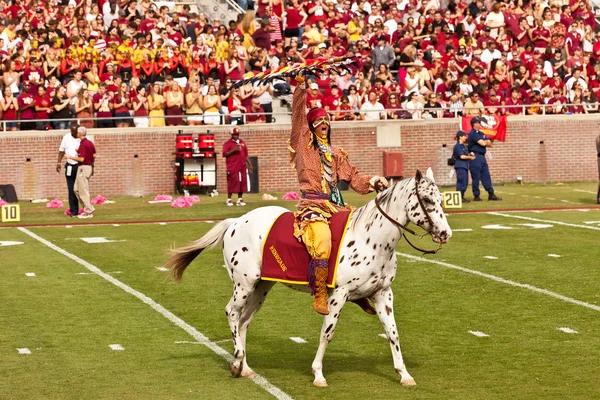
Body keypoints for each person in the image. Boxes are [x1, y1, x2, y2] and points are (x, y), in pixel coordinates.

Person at [290, 73, 388, 315]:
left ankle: (355, 291)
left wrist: (373, 180)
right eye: (318, 122)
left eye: (326, 122)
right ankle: (321, 293)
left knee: (357, 236)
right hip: (312, 206)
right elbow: (298, 117)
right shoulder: (304, 146)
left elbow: (353, 178)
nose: (323, 125)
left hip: (336, 206)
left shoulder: (335, 153)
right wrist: (301, 87)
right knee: (322, 241)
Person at [467, 117, 502, 201]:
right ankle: (476, 195)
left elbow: (490, 144)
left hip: (482, 156)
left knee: (486, 175)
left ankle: (491, 193)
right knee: (476, 176)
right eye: (479, 122)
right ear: (474, 124)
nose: (480, 124)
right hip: (475, 156)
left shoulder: (481, 133)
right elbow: (483, 143)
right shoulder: (473, 133)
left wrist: (485, 142)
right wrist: (485, 142)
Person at [67, 126, 97, 219]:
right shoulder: (89, 143)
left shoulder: (83, 144)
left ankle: (88, 211)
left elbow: (81, 159)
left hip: (83, 168)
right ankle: (87, 208)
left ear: (79, 133)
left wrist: (70, 157)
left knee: (82, 190)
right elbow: (94, 155)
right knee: (76, 189)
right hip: (87, 167)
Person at [222, 128, 253, 207]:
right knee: (232, 183)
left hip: (242, 166)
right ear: (232, 135)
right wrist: (234, 150)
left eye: (237, 134)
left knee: (242, 182)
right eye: (235, 134)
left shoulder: (242, 143)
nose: (236, 136)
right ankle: (229, 199)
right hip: (232, 166)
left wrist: (250, 164)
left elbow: (245, 155)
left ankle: (240, 199)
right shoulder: (227, 143)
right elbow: (224, 154)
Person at [56, 123, 81, 217]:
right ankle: (73, 211)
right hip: (70, 165)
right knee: (71, 189)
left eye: (74, 132)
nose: (73, 133)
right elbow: (61, 150)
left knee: (80, 189)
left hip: (80, 165)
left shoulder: (83, 138)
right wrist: (58, 162)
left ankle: (86, 209)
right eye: (72, 131)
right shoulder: (66, 137)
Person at [453, 131, 475, 202]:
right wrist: (470, 158)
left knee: (465, 182)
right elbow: (462, 156)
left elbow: (466, 154)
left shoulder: (463, 146)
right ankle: (459, 197)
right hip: (460, 166)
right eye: (464, 136)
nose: (465, 137)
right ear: (460, 137)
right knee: (461, 181)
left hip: (464, 166)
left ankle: (461, 196)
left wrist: (470, 154)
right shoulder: (457, 146)